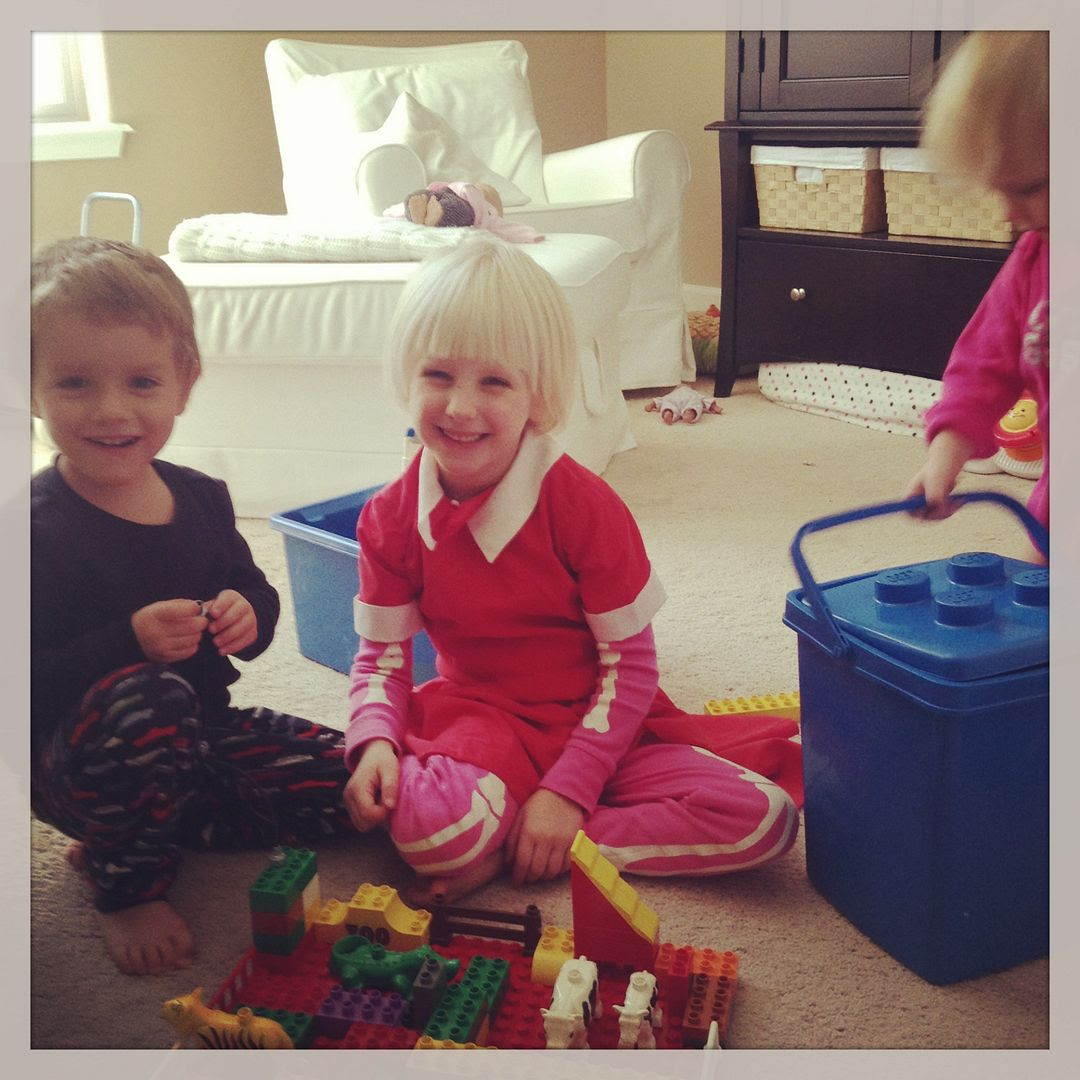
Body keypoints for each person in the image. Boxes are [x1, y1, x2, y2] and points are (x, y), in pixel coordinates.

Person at [343, 233, 803, 903]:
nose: (460, 407)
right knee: (428, 832)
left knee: (764, 819)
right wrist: (374, 743)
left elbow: (631, 667)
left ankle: (536, 842)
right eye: (437, 375)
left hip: (605, 724)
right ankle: (515, 831)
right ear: (405, 377)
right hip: (482, 720)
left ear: (537, 395)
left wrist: (568, 794)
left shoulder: (584, 506)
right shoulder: (388, 517)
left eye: (494, 381)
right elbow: (381, 660)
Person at [30, 237, 354, 976]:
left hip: (205, 739)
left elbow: (256, 596)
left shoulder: (202, 499)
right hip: (83, 765)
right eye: (75, 383)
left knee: (357, 777)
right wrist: (129, 641)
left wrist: (248, 613)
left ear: (184, 384)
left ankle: (164, 825)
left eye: (142, 382)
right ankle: (125, 881)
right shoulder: (34, 531)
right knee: (150, 701)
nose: (112, 410)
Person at [905, 31, 1049, 537]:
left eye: (1030, 187)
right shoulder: (1035, 260)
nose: (1009, 214)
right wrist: (945, 458)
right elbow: (982, 368)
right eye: (998, 191)